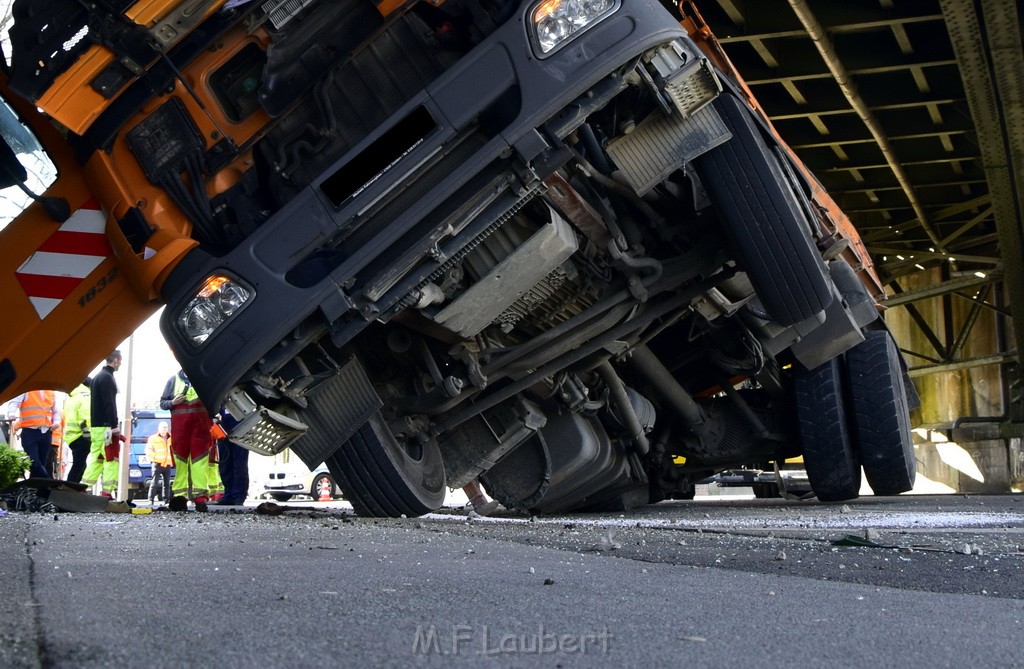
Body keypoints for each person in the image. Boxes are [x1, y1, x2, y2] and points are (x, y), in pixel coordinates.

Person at [160, 370, 213, 511]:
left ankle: (200, 498)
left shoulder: (206, 379)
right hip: (181, 429)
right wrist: (172, 402)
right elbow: (162, 403)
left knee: (199, 461)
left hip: (200, 428)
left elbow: (216, 399)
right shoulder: (173, 380)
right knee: (181, 461)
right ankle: (179, 498)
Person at [82, 351, 123, 497]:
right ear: (116, 360)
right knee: (111, 459)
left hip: (96, 427)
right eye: (120, 361)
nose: (120, 364)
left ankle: (83, 487)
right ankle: (106, 493)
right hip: (106, 427)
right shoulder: (107, 378)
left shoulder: (98, 378)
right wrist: (114, 425)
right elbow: (109, 403)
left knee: (97, 458)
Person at [7, 390, 61, 479]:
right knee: (34, 463)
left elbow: (55, 411)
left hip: (46, 432)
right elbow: (14, 402)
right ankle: (49, 483)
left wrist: (57, 422)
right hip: (29, 431)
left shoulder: (50, 392)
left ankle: (37, 491)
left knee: (41, 463)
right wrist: (11, 413)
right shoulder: (27, 390)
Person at [215, 409, 249, 505]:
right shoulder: (219, 398)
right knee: (225, 463)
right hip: (223, 425)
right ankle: (228, 495)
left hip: (240, 423)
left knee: (239, 464)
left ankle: (238, 496)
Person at [62, 379, 92, 483]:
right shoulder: (86, 396)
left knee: (80, 464)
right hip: (82, 435)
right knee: (79, 465)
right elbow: (86, 416)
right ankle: (69, 489)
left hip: (71, 436)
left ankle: (73, 488)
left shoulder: (72, 397)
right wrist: (90, 433)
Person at [145, 421, 173, 504]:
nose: (164, 430)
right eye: (163, 428)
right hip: (157, 463)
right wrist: (154, 457)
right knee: (154, 482)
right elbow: (148, 450)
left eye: (166, 428)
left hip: (167, 464)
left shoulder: (171, 438)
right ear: (159, 429)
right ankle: (151, 500)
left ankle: (166, 500)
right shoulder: (153, 438)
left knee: (167, 484)